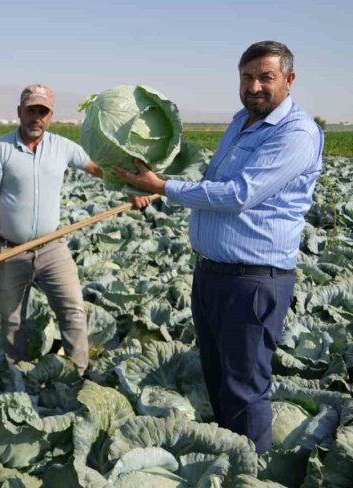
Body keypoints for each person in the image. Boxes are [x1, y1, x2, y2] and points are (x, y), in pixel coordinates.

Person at [113, 41, 324, 453]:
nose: (255, 86)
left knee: (245, 392)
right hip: (212, 275)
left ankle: (253, 471)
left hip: (253, 281)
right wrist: (158, 180)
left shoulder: (296, 132)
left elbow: (237, 194)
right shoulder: (240, 122)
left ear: (289, 80)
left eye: (266, 77)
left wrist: (164, 187)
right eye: (247, 77)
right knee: (218, 382)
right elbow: (210, 179)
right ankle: (229, 462)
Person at [0, 84, 149, 373]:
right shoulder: (0, 150)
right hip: (10, 250)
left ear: (50, 116)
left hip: (51, 247)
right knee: (12, 320)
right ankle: (16, 376)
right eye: (31, 110)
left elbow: (99, 169)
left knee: (72, 310)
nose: (36, 117)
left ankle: (78, 374)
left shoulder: (62, 147)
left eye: (42, 112)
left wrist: (131, 188)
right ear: (19, 112)